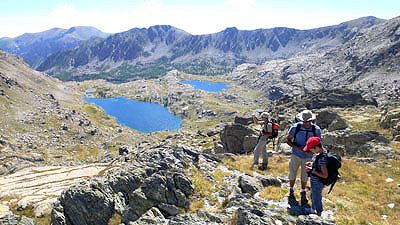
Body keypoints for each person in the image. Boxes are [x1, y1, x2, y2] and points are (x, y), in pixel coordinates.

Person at [286, 110, 321, 205]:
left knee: (305, 175)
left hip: (308, 157)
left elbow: (318, 143)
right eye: (305, 121)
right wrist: (299, 149)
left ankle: (302, 191)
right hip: (296, 155)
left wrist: (313, 152)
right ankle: (291, 190)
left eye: (309, 121)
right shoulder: (295, 127)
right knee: (292, 173)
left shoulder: (316, 130)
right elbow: (288, 140)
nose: (307, 123)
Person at [304, 136, 328, 216]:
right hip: (315, 181)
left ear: (317, 147)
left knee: (316, 196)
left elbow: (325, 175)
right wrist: (312, 165)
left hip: (318, 182)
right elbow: (318, 167)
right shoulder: (320, 154)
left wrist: (312, 171)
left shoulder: (322, 158)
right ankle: (313, 209)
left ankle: (318, 213)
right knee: (313, 195)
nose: (310, 151)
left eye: (311, 149)